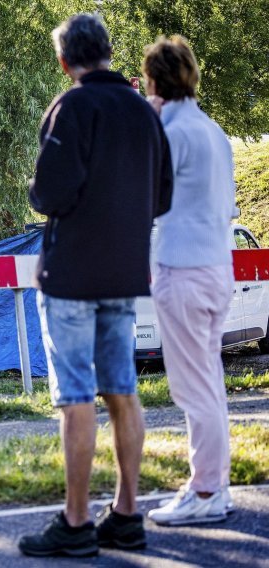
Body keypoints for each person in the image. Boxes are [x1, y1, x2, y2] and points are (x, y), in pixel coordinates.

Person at [18, 14, 173, 557]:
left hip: (72, 275)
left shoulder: (72, 107)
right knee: (123, 390)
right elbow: (163, 199)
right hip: (125, 272)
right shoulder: (143, 112)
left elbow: (48, 194)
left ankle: (77, 522)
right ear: (108, 52)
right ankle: (128, 514)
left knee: (77, 397)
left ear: (65, 62)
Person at [142, 36, 236, 526]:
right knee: (210, 383)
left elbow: (147, 200)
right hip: (218, 267)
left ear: (155, 83)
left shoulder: (171, 134)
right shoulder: (214, 132)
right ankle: (214, 485)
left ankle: (205, 492)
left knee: (193, 388)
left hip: (183, 269)